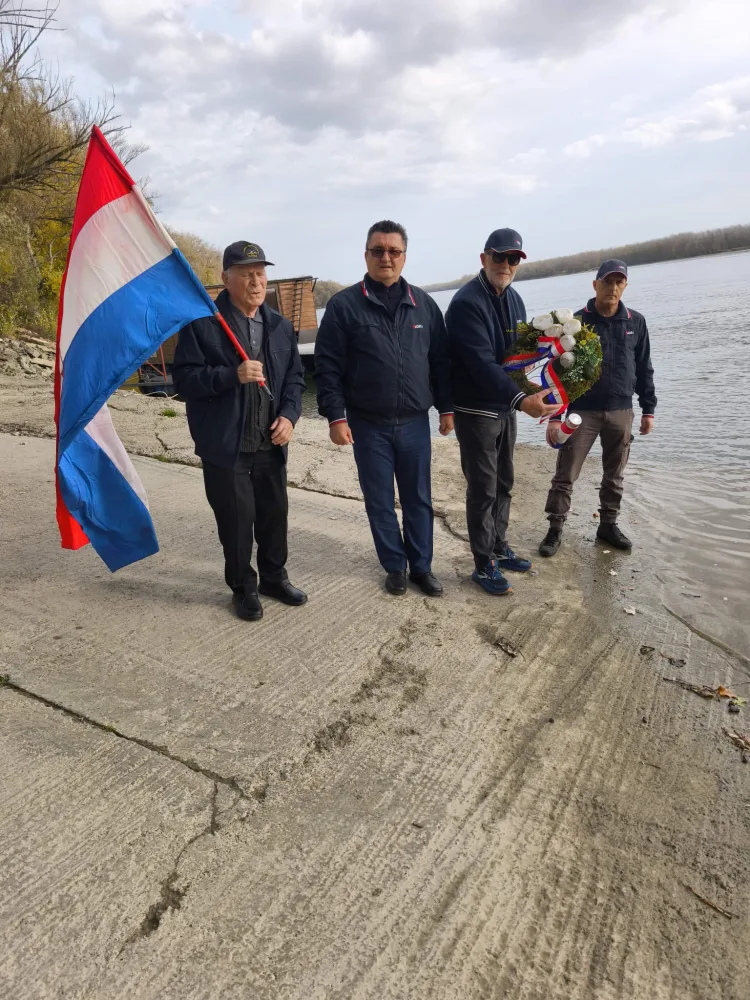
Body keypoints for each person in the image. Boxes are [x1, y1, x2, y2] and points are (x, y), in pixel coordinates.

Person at [315, 220, 454, 597]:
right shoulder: (344, 306)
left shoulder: (423, 304)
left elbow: (440, 361)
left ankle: (422, 567)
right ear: (366, 255)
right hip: (367, 423)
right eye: (378, 250)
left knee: (418, 499)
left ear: (404, 257)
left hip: (414, 423)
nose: (386, 258)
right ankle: (395, 566)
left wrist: (446, 407)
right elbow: (327, 366)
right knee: (379, 501)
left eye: (394, 251)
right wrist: (336, 415)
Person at [173, 241, 307, 621]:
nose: (256, 281)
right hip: (225, 445)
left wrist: (290, 416)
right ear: (225, 278)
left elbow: (295, 380)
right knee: (235, 523)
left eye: (261, 273)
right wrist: (230, 375)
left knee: (274, 516)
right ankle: (243, 588)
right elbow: (184, 380)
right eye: (246, 273)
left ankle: (274, 579)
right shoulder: (203, 325)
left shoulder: (280, 326)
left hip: (270, 442)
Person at [446, 228, 559, 596]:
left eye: (514, 259)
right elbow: (481, 365)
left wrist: (539, 385)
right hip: (476, 409)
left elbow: (520, 358)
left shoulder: (516, 300)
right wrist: (522, 400)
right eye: (500, 257)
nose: (506, 265)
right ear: (484, 258)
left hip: (505, 406)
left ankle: (498, 544)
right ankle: (483, 564)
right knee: (483, 488)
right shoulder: (466, 303)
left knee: (505, 480)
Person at [538, 259, 656, 556]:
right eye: (607, 281)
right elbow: (557, 372)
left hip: (621, 410)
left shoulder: (636, 322)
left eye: (619, 282)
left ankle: (608, 525)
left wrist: (649, 408)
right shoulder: (576, 323)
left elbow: (644, 367)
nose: (613, 288)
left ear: (625, 285)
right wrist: (556, 416)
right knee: (566, 473)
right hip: (582, 412)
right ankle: (555, 528)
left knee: (615, 474)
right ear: (595, 284)